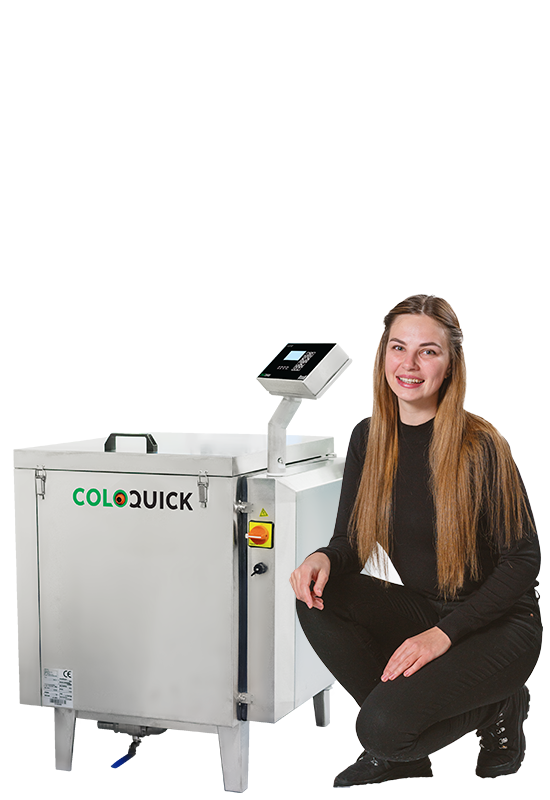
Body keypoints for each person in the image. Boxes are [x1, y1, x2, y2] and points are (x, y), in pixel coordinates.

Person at [290, 294, 542, 787]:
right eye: (398, 347)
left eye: (428, 351)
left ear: (450, 365)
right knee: (319, 596)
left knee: (379, 730)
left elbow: (523, 560)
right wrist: (322, 557)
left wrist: (443, 636)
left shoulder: (482, 445)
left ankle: (499, 704)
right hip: (427, 609)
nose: (409, 364)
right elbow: (351, 541)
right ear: (383, 354)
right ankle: (401, 749)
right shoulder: (368, 438)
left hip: (500, 626)